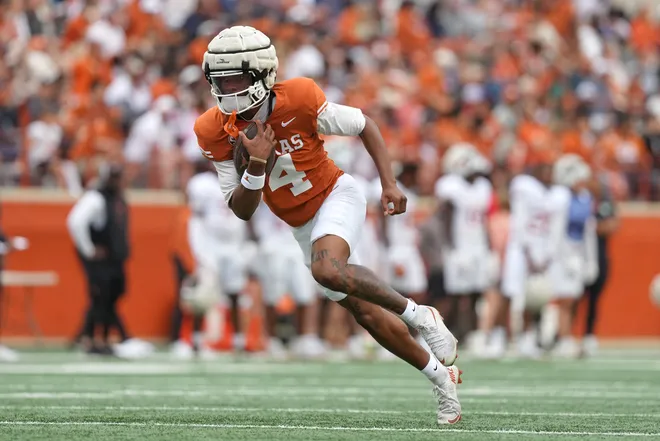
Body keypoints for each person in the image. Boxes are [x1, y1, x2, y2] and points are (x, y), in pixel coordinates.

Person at [194, 25, 461, 425]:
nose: (227, 87)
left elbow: (364, 124)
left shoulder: (299, 97)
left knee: (327, 269)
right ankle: (442, 380)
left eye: (236, 77)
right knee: (366, 315)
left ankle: (421, 316)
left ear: (262, 74)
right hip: (300, 224)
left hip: (337, 195)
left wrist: (389, 183)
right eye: (220, 79)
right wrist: (255, 165)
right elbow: (242, 209)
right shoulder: (213, 128)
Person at [66, 163, 152, 358]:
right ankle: (95, 340)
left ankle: (95, 337)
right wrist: (88, 249)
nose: (117, 181)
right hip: (101, 260)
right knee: (101, 297)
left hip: (114, 259)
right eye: (113, 177)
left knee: (111, 297)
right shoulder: (96, 197)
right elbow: (75, 221)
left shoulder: (117, 198)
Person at [492, 153, 570, 359]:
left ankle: (527, 338)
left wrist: (547, 255)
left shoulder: (558, 195)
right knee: (509, 292)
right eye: (543, 169)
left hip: (542, 251)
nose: (547, 174)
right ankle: (497, 337)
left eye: (550, 170)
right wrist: (529, 251)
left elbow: (556, 229)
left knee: (536, 297)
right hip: (519, 248)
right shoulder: (524, 187)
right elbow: (521, 222)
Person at [435, 144, 495, 345]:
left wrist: (488, 246)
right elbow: (445, 219)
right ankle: (440, 334)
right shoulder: (450, 186)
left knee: (476, 293)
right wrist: (450, 247)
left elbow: (484, 221)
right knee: (455, 295)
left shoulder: (482, 187)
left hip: (477, 246)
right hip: (459, 248)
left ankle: (471, 334)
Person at [252, 200, 325, 360]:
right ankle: (271, 339)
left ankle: (305, 338)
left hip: (297, 239)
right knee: (271, 294)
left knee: (304, 292)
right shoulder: (263, 177)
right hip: (272, 240)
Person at [550, 154, 598, 358]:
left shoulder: (585, 197)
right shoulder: (560, 196)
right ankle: (562, 338)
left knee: (574, 297)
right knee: (564, 298)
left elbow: (589, 231)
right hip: (563, 252)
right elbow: (555, 231)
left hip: (577, 251)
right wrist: (556, 256)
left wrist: (591, 260)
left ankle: (565, 337)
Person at [582, 173, 619, 356]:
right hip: (580, 255)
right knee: (573, 297)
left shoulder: (605, 202)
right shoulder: (581, 201)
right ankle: (561, 336)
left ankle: (589, 335)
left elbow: (612, 226)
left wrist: (591, 226)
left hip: (599, 254)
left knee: (595, 298)